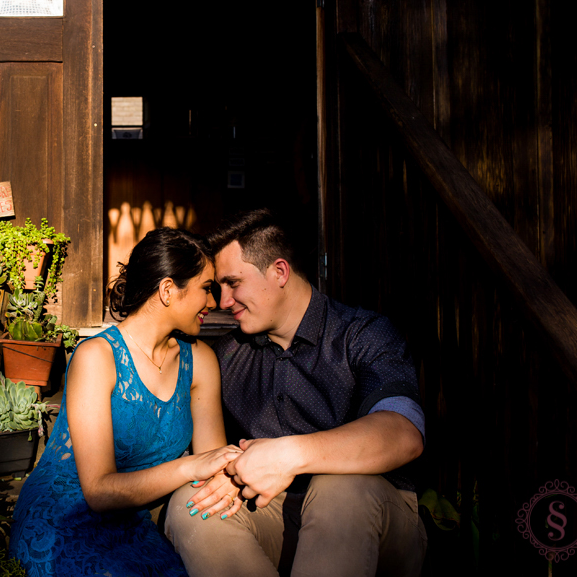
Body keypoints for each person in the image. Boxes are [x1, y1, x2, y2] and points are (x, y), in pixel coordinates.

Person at [165, 209, 427, 577]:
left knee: (338, 489)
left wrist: (290, 454)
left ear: (279, 272)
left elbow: (404, 434)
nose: (223, 301)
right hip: (275, 514)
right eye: (218, 287)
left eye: (233, 283)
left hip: (376, 520)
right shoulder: (227, 354)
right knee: (189, 506)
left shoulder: (363, 334)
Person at [9, 227, 245, 577]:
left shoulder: (201, 362)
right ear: (168, 290)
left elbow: (211, 462)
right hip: (65, 514)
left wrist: (227, 480)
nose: (214, 303)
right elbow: (99, 492)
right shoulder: (96, 358)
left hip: (133, 517)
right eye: (206, 288)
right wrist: (190, 466)